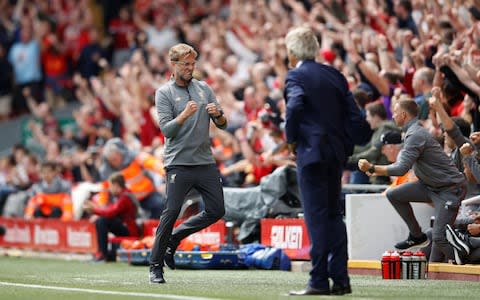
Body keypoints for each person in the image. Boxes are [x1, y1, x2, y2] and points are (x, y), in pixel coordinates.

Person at [149, 43, 227, 284]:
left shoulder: (204, 88)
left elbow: (223, 124)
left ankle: (175, 239)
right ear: (174, 65)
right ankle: (155, 266)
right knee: (170, 212)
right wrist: (183, 115)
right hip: (178, 163)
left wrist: (218, 114)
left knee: (217, 210)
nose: (190, 68)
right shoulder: (164, 93)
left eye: (193, 63)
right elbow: (166, 130)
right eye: (185, 64)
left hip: (204, 161)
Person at [284, 27, 352, 296]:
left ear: (292, 52)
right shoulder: (334, 74)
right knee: (335, 216)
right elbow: (354, 114)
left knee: (316, 218)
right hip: (335, 154)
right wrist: (345, 145)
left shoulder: (296, 75)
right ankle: (341, 280)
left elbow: (295, 106)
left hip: (311, 156)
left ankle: (319, 280)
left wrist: (291, 139)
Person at [358, 99, 467, 262]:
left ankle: (469, 261)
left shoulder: (415, 134)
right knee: (394, 194)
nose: (393, 116)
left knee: (439, 237)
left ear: (403, 115)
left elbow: (401, 168)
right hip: (430, 186)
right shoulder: (411, 132)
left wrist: (373, 168)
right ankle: (416, 235)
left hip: (449, 189)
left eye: (395, 112)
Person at [83, 172, 139, 262]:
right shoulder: (122, 195)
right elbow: (110, 210)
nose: (109, 189)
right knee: (101, 220)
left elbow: (111, 213)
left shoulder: (125, 197)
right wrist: (97, 211)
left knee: (102, 221)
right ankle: (101, 253)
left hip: (129, 230)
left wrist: (95, 210)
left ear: (116, 185)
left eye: (110, 186)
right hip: (127, 227)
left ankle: (102, 255)